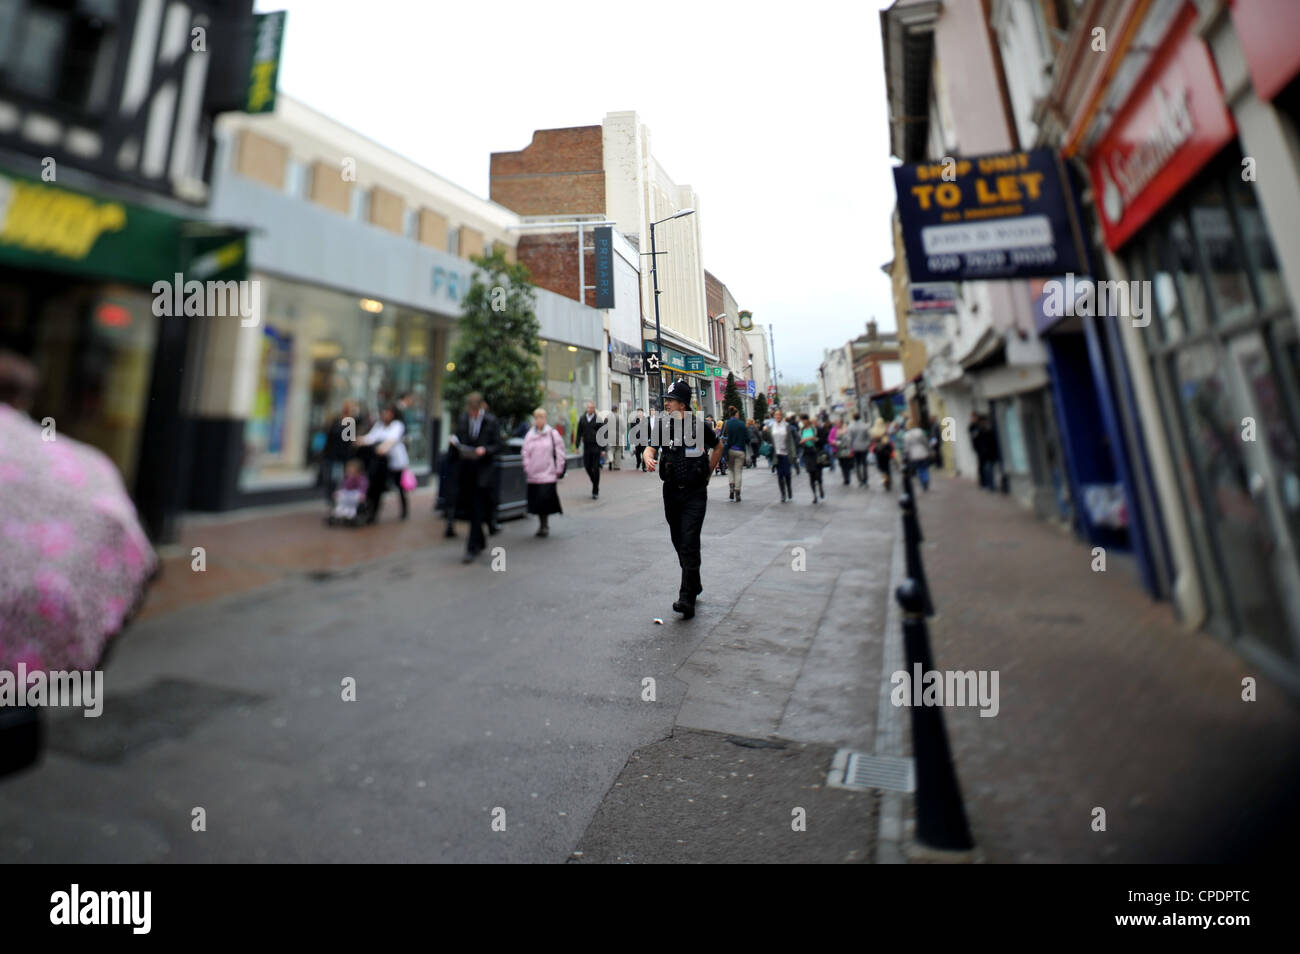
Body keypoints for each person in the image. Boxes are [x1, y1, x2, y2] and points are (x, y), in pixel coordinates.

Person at [644, 379, 723, 620]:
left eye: (670, 400)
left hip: (695, 493)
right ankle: (694, 581)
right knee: (679, 540)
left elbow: (718, 447)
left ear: (683, 404)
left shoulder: (699, 428)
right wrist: (648, 457)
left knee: (689, 541)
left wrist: (708, 473)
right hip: (671, 493)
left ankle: (686, 597)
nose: (666, 404)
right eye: (666, 400)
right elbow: (650, 448)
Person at [450, 392, 501, 563]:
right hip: (467, 470)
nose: (471, 414)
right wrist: (455, 442)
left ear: (480, 408)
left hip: (483, 471)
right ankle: (481, 539)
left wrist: (485, 450)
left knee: (477, 507)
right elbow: (458, 437)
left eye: (474, 411)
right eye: (469, 411)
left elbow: (498, 445)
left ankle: (471, 548)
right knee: (471, 508)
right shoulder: (463, 419)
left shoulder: (491, 421)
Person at [356, 403, 409, 522]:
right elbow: (371, 438)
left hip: (396, 462)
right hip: (382, 463)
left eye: (387, 412)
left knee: (399, 486)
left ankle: (404, 509)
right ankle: (373, 512)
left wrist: (383, 448)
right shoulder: (379, 425)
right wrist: (360, 440)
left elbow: (392, 440)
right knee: (377, 487)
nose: (385, 415)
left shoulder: (397, 425)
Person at [522, 407, 566, 537]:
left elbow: (560, 452)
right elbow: (525, 452)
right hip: (534, 473)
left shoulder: (552, 433)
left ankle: (545, 525)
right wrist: (527, 466)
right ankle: (541, 525)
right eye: (537, 418)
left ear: (545, 419)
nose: (539, 420)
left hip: (548, 473)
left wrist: (559, 468)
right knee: (537, 501)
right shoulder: (530, 435)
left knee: (544, 499)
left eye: (541, 417)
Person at [321, 400, 358, 504]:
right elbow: (329, 436)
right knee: (328, 479)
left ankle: (335, 500)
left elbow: (348, 442)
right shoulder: (336, 420)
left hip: (340, 456)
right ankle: (332, 499)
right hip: (330, 454)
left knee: (336, 479)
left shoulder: (350, 422)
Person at [573, 400, 604, 499]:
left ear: (594, 409)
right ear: (586, 409)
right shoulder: (582, 419)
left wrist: (603, 449)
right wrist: (577, 446)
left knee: (595, 468)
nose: (589, 409)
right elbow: (578, 433)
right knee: (587, 466)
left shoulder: (598, 419)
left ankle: (595, 490)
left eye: (591, 408)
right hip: (586, 447)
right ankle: (594, 482)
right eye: (588, 407)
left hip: (596, 447)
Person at [769, 408, 797, 501]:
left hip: (786, 453)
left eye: (779, 415)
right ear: (774, 416)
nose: (778, 416)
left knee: (787, 474)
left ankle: (789, 490)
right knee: (780, 475)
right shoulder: (771, 427)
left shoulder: (786, 426)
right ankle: (783, 494)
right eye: (776, 415)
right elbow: (768, 439)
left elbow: (791, 440)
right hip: (777, 454)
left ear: (782, 416)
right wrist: (765, 431)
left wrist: (793, 454)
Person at [723, 406, 749, 502]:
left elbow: (722, 435)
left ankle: (731, 487)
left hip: (730, 450)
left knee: (730, 469)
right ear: (736, 414)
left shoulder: (727, 423)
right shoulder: (742, 424)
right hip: (740, 451)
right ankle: (737, 491)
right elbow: (747, 438)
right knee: (738, 471)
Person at [798, 414, 824, 503]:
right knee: (811, 475)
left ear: (807, 420)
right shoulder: (801, 430)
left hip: (815, 452)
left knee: (817, 473)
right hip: (807, 453)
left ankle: (820, 486)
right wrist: (802, 442)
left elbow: (819, 439)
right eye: (801, 421)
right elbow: (800, 442)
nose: (802, 422)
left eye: (803, 420)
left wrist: (811, 438)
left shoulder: (813, 428)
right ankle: (814, 496)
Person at [903, 416, 932, 491]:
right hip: (922, 452)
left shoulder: (906, 435)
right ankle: (925, 481)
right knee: (924, 468)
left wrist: (907, 455)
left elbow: (907, 447)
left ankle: (922, 482)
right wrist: (928, 449)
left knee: (918, 469)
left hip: (914, 454)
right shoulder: (919, 431)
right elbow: (925, 442)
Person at [849, 412, 871, 487]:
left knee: (857, 464)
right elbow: (869, 436)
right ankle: (865, 479)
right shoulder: (865, 425)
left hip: (855, 447)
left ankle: (860, 480)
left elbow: (850, 439)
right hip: (864, 447)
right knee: (864, 463)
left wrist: (850, 448)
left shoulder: (851, 426)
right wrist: (868, 444)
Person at [871, 415, 894, 491]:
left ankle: (885, 479)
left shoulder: (874, 430)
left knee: (881, 466)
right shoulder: (885, 429)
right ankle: (888, 478)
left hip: (878, 451)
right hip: (886, 450)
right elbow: (888, 439)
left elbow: (873, 441)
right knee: (887, 466)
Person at [831, 416, 855, 486]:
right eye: (836, 423)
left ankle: (847, 478)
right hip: (839, 450)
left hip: (846, 450)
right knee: (842, 465)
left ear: (841, 423)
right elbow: (830, 439)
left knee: (847, 465)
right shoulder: (834, 430)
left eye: (838, 423)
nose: (837, 424)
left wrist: (852, 450)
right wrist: (833, 442)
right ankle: (845, 478)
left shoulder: (846, 430)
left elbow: (850, 440)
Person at [606, 406, 624, 471]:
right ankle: (617, 466)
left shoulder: (607, 417)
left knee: (610, 450)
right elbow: (623, 428)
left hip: (610, 436)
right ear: (617, 410)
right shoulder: (620, 417)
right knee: (618, 451)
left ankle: (610, 460)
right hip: (618, 436)